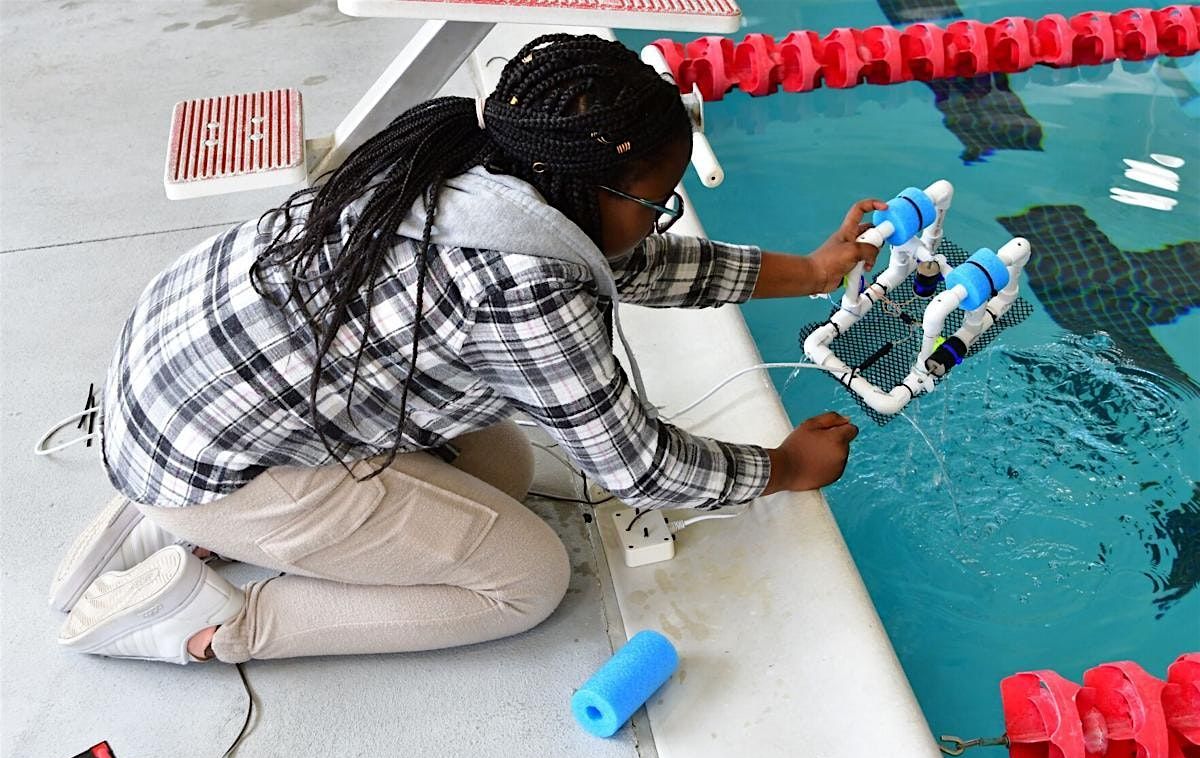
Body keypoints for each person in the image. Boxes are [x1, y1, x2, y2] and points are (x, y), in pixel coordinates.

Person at [51, 33, 878, 666]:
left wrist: (811, 269)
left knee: (503, 471)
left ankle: (188, 518)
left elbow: (629, 259)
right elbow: (638, 465)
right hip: (213, 456)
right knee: (524, 581)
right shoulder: (526, 284)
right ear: (587, 187)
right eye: (656, 203)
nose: (659, 220)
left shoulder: (480, 165)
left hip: (177, 390)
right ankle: (216, 620)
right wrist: (783, 469)